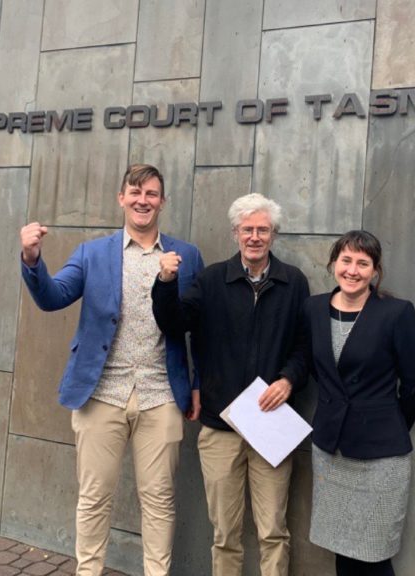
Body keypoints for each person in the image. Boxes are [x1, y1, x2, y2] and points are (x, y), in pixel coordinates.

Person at [19, 164, 203, 576]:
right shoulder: (93, 253)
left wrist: (196, 385)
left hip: (160, 395)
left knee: (159, 499)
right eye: (135, 192)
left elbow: (199, 328)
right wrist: (32, 259)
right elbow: (53, 297)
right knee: (94, 496)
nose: (143, 200)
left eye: (152, 194)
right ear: (121, 198)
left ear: (162, 202)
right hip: (101, 392)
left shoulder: (186, 256)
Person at [151, 193, 310, 576]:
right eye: (247, 229)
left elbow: (306, 346)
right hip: (221, 426)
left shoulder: (293, 283)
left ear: (273, 234)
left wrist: (289, 379)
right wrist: (165, 282)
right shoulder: (210, 281)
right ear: (235, 233)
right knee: (225, 532)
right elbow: (174, 323)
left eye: (263, 230)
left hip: (271, 423)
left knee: (273, 530)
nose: (254, 237)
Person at [301, 230, 415, 576]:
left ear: (375, 271)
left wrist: (387, 422)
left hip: (380, 457)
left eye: (363, 263)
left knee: (373, 554)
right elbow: (317, 368)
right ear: (333, 264)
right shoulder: (313, 309)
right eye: (346, 260)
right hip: (331, 452)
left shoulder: (396, 313)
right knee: (342, 550)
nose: (353, 270)